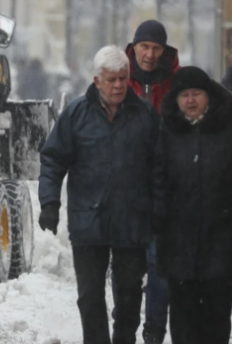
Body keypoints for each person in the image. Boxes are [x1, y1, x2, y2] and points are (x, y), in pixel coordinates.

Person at [38, 45, 160, 344]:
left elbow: (160, 166)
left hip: (132, 221)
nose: (118, 85)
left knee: (130, 295)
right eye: (111, 80)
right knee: (90, 297)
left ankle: (123, 340)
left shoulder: (144, 114)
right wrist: (49, 202)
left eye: (122, 78)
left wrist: (160, 209)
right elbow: (53, 159)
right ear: (96, 81)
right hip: (88, 221)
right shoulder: (76, 114)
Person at [153, 67, 232, 344]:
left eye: (196, 94)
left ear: (208, 96)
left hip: (221, 247)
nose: (190, 101)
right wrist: (159, 226)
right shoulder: (167, 132)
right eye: (184, 95)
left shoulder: (226, 130)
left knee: (216, 323)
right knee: (184, 326)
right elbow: (158, 182)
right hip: (179, 249)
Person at [121, 19, 179, 344]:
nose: (150, 54)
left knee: (160, 267)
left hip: (164, 192)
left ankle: (154, 332)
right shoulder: (119, 79)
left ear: (164, 50)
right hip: (128, 193)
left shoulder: (175, 84)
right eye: (145, 46)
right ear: (135, 47)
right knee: (127, 269)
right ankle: (125, 329)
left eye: (156, 48)